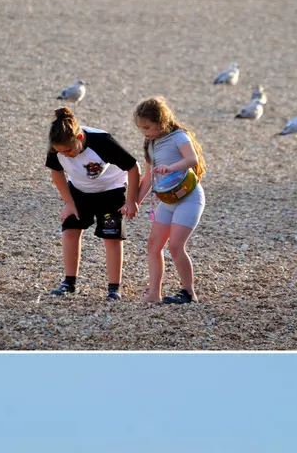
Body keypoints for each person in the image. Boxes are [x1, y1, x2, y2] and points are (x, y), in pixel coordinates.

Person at [46, 107, 140, 301]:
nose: (67, 155)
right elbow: (56, 172)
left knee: (111, 237)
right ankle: (69, 283)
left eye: (69, 151)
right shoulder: (57, 147)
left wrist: (131, 201)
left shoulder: (102, 141)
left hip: (111, 190)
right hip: (79, 190)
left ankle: (114, 288)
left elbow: (133, 166)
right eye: (61, 152)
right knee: (70, 229)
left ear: (79, 138)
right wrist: (69, 202)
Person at [134, 96, 206, 304]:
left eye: (148, 127)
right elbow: (148, 178)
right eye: (141, 129)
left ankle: (189, 293)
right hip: (167, 200)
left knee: (175, 245)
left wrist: (170, 168)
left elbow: (192, 159)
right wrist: (135, 203)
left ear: (161, 121)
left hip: (189, 197)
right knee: (153, 245)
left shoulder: (178, 137)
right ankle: (154, 293)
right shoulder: (150, 144)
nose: (145, 132)